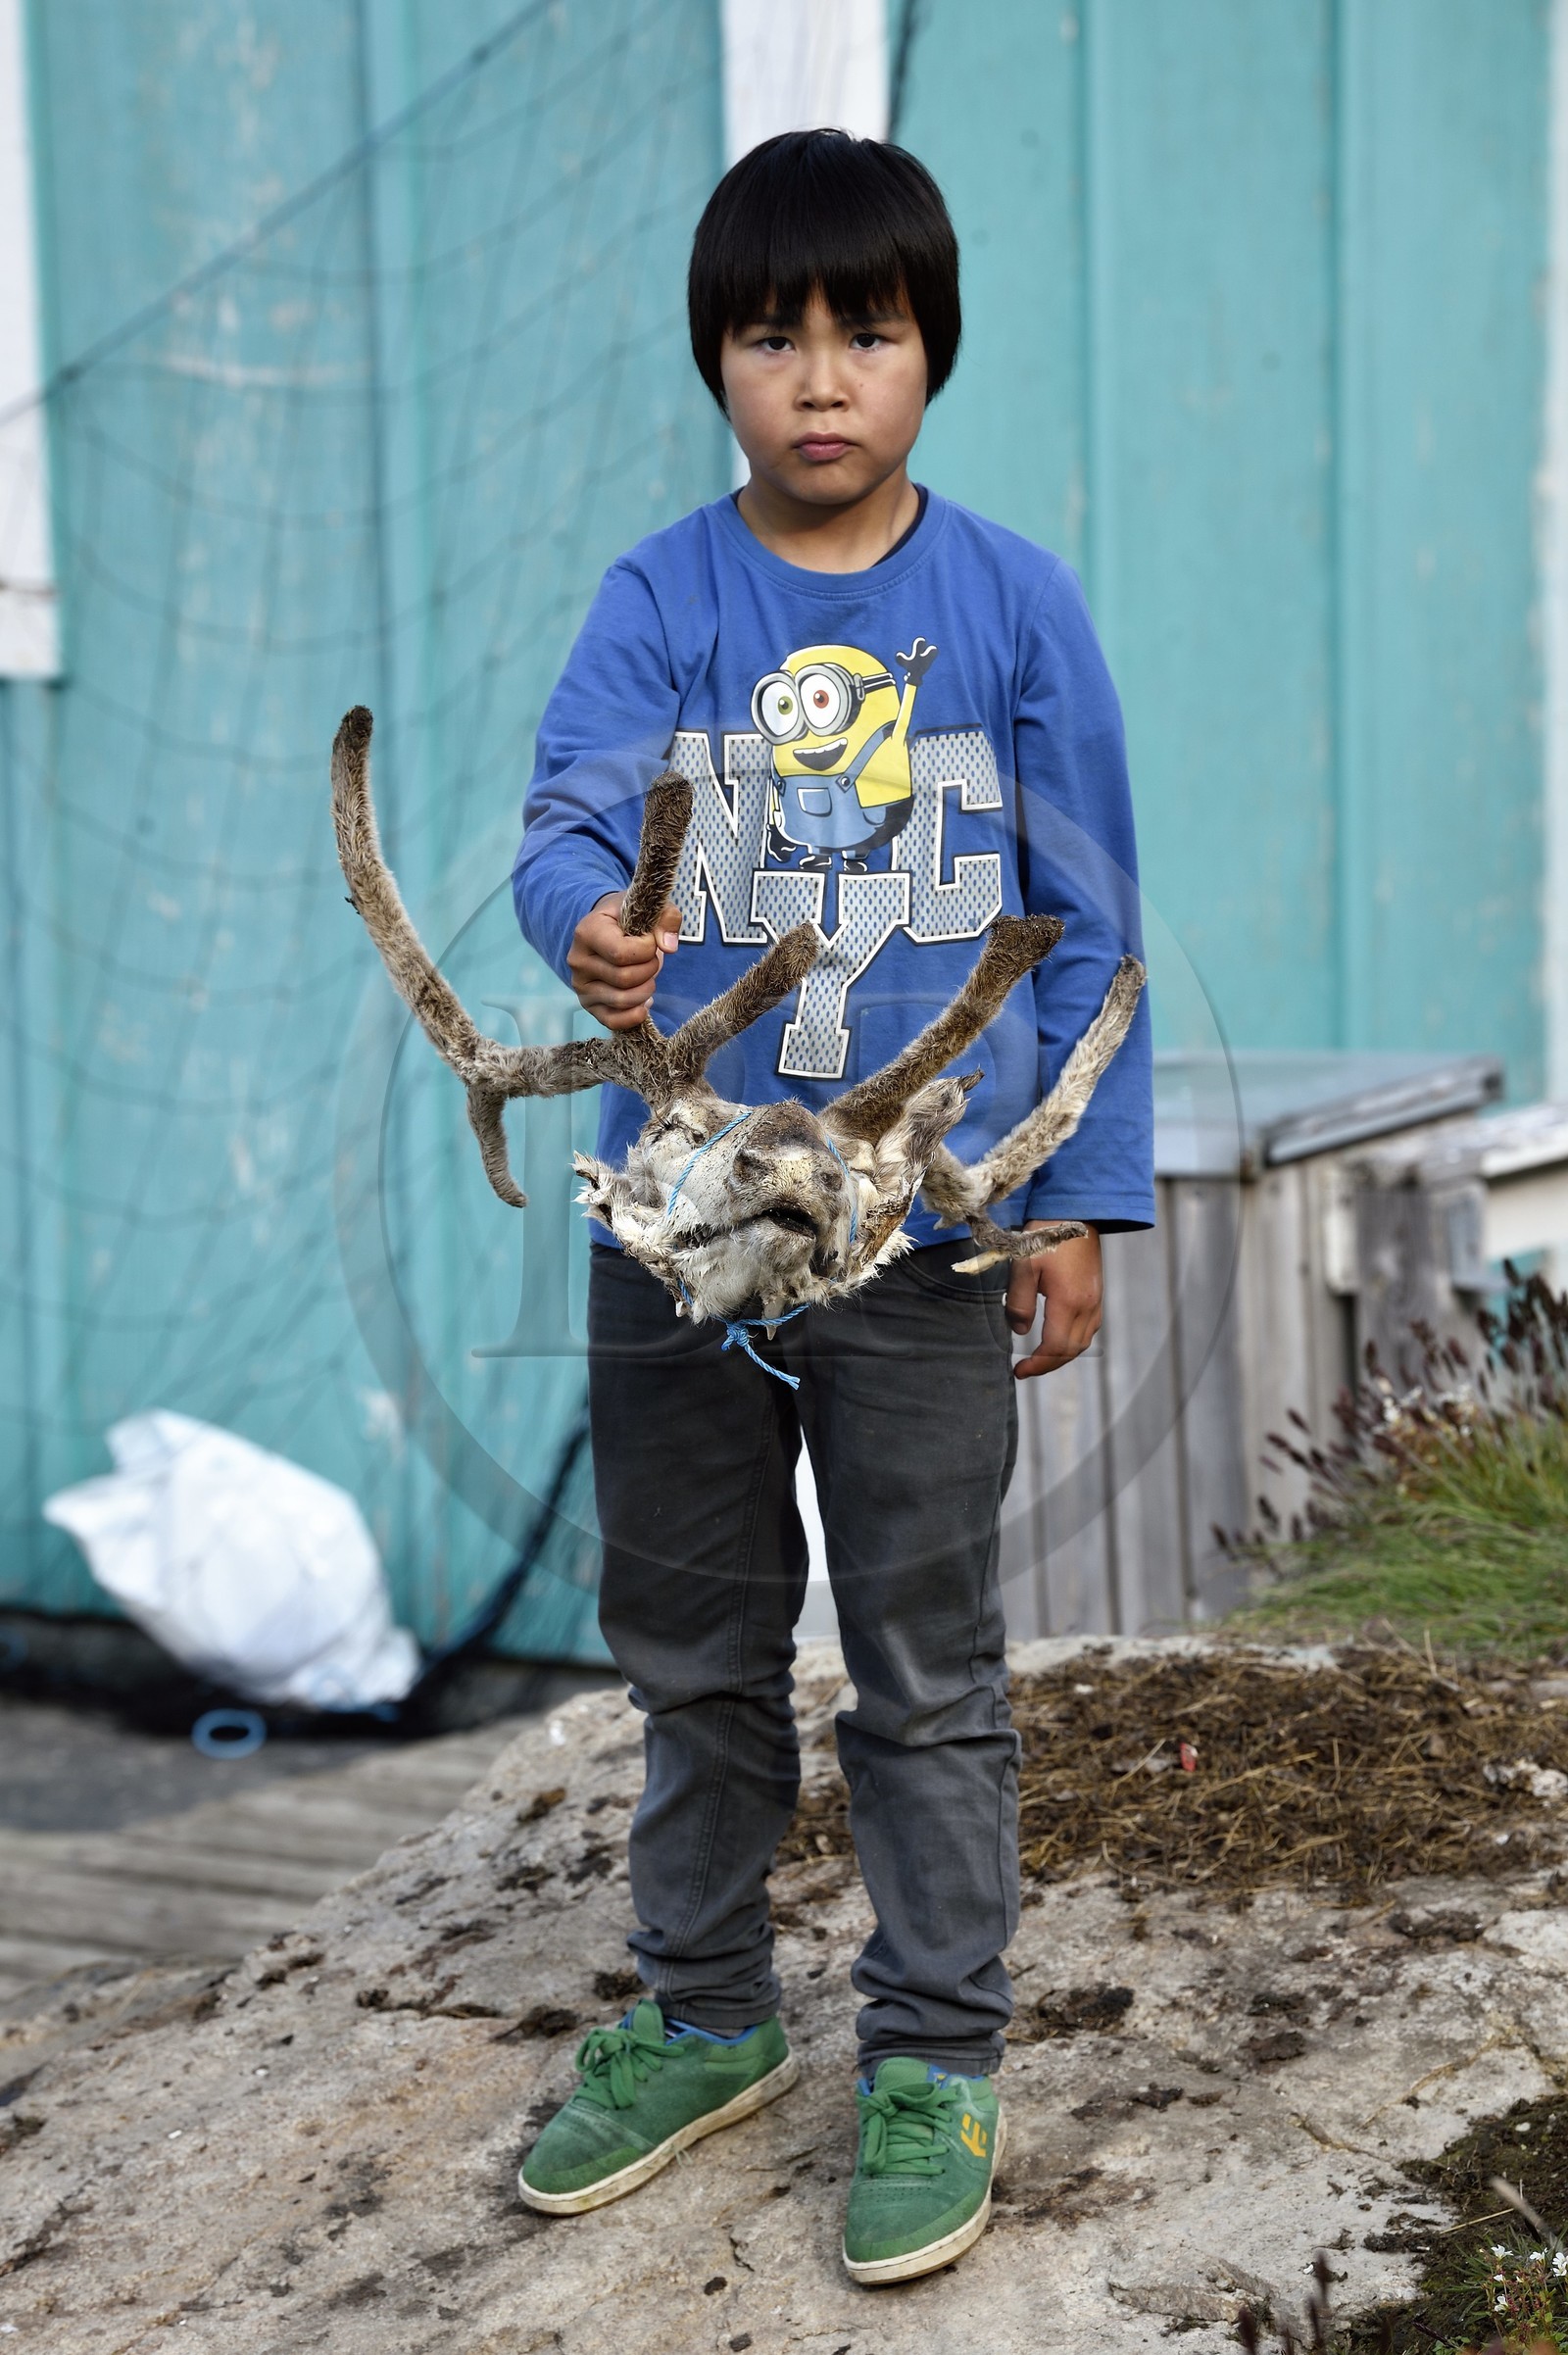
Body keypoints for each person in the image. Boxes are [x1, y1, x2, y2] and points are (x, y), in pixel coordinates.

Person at [511, 127, 1153, 2286]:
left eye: (860, 332)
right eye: (771, 333)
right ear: (715, 356)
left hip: (924, 1233)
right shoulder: (657, 599)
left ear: (925, 352)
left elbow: (1083, 921)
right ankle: (703, 2011)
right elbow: (572, 810)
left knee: (922, 1661)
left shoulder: (1010, 604)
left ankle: (935, 2051)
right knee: (692, 1649)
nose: (815, 378)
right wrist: (590, 930)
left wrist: (1067, 1199)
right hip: (682, 1222)